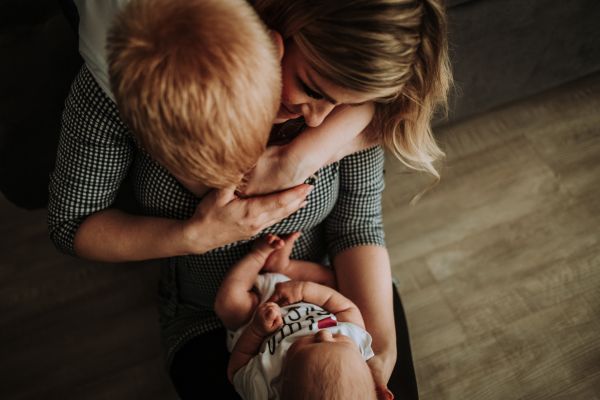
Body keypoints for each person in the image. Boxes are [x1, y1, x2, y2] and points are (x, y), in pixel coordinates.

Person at [48, 0, 451, 399]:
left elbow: (358, 225)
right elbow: (71, 226)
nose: (317, 119)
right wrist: (193, 236)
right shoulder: (137, 79)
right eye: (311, 89)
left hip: (335, 290)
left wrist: (379, 347)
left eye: (342, 104)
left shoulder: (348, 99)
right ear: (276, 37)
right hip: (207, 315)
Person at [214, 233, 377, 400]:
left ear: (286, 376)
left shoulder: (264, 387)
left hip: (254, 312)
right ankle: (284, 267)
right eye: (340, 342)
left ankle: (258, 256)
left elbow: (236, 368)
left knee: (228, 303)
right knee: (331, 280)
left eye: (314, 343)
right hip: (302, 290)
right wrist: (303, 290)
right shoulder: (356, 342)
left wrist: (256, 330)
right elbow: (345, 307)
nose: (324, 334)